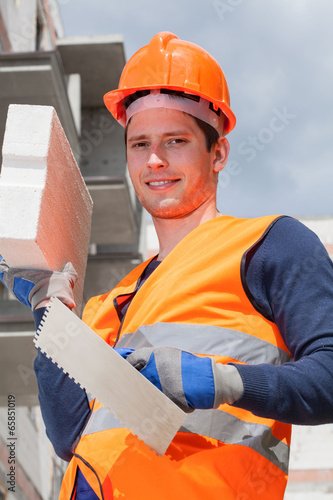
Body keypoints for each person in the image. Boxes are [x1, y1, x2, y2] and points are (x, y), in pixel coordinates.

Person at [1, 31, 333, 499]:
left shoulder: (268, 244)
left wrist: (220, 379)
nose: (154, 161)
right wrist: (48, 308)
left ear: (217, 153)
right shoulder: (108, 304)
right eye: (139, 145)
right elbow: (68, 436)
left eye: (175, 141)